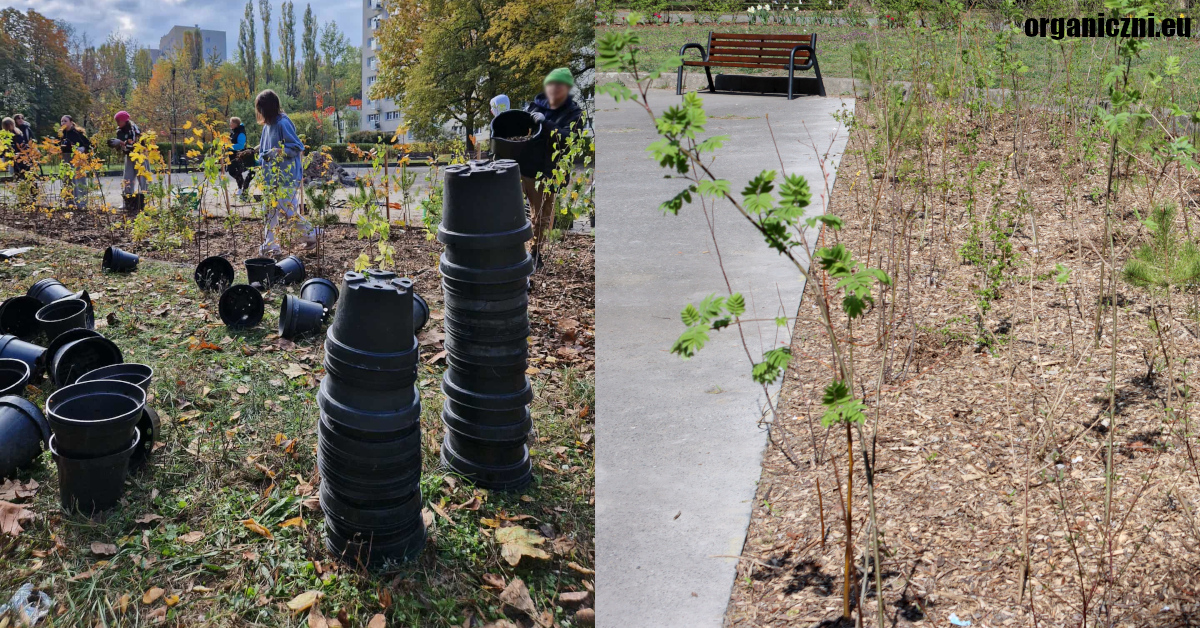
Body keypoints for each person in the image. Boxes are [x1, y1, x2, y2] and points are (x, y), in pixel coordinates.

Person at [523, 67, 583, 268]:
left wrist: (546, 124)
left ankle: (535, 252)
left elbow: (569, 139)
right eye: (551, 85)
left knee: (543, 215)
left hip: (552, 173)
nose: (554, 90)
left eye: (559, 86)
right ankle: (520, 251)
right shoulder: (533, 107)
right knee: (524, 212)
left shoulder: (573, 114)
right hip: (528, 170)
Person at [254, 89, 317, 256]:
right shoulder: (268, 125)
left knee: (286, 210)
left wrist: (277, 152)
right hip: (270, 176)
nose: (259, 112)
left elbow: (297, 147)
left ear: (268, 108)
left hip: (286, 176)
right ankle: (270, 244)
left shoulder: (282, 123)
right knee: (269, 210)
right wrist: (257, 152)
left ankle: (312, 234)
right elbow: (266, 146)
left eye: (261, 108)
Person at [113, 111, 148, 215]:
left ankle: (146, 200)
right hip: (129, 156)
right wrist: (117, 145)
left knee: (142, 177)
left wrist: (122, 144)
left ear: (124, 120)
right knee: (127, 178)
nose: (117, 123)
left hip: (140, 155)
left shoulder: (134, 129)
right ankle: (127, 201)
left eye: (119, 121)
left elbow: (134, 144)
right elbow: (122, 145)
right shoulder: (119, 130)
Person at [58, 115, 92, 210]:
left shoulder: (77, 133)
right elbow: (58, 145)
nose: (63, 123)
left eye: (65, 121)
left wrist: (82, 149)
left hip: (77, 160)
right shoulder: (61, 134)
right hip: (66, 159)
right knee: (67, 180)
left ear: (71, 122)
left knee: (78, 180)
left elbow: (88, 145)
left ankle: (82, 203)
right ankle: (69, 202)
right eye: (62, 121)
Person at [227, 116, 255, 200]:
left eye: (231, 122)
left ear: (235, 124)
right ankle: (241, 186)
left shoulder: (241, 133)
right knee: (232, 171)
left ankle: (241, 188)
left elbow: (240, 145)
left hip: (239, 155)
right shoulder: (233, 132)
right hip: (231, 155)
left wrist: (229, 147)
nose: (230, 124)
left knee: (236, 171)